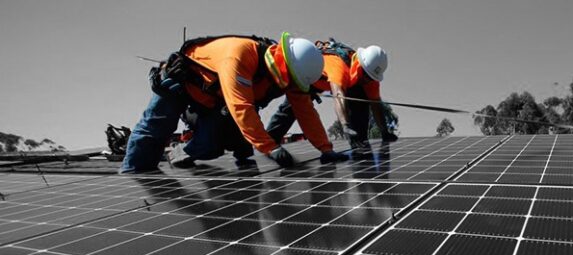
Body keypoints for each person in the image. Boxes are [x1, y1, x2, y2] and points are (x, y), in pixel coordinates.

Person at [120, 32, 346, 174]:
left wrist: (326, 149)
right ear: (285, 66)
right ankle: (133, 174)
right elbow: (241, 107)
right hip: (181, 84)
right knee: (154, 130)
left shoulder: (291, 78)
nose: (293, 87)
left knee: (216, 144)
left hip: (215, 102)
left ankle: (182, 154)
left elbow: (306, 112)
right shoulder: (240, 55)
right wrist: (271, 148)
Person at [265, 40, 397, 154]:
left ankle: (360, 142)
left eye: (370, 78)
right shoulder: (338, 66)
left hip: (343, 83)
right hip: (310, 77)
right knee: (291, 109)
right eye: (366, 75)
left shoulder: (371, 77)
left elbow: (375, 103)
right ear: (359, 64)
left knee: (361, 100)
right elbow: (338, 96)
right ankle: (269, 143)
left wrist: (384, 132)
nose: (367, 80)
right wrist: (345, 126)